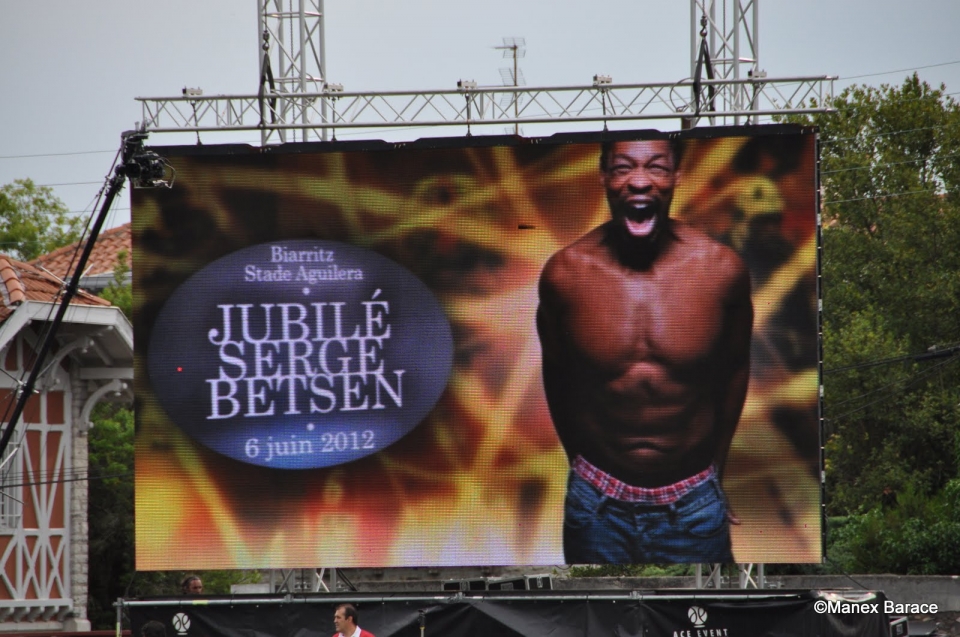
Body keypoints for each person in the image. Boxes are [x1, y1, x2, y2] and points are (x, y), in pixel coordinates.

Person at [536, 138, 753, 564]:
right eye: (622, 168)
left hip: (693, 502)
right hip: (596, 506)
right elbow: (557, 382)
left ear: (675, 178)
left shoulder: (721, 270)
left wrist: (716, 476)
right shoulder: (565, 273)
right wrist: (583, 474)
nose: (639, 181)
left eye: (655, 167)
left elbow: (733, 375)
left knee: (706, 628)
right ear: (603, 178)